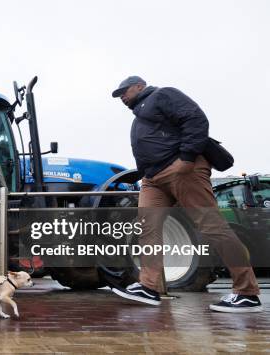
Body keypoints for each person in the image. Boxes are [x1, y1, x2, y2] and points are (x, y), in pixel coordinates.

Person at [110, 76, 263, 313]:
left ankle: (247, 293)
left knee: (211, 226)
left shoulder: (161, 95)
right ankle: (149, 287)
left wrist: (187, 158)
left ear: (139, 86)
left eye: (124, 91)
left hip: (180, 170)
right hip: (152, 179)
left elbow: (195, 119)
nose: (121, 96)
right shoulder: (140, 115)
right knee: (146, 228)